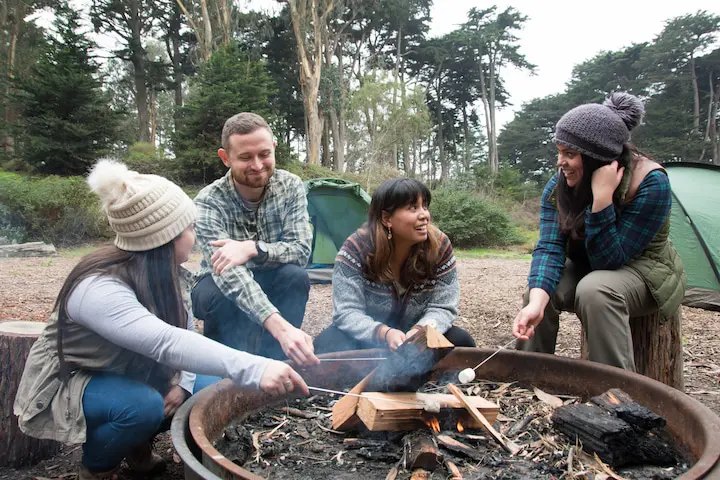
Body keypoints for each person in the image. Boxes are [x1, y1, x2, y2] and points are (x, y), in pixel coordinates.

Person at [13, 160, 309, 480]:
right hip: (76, 380)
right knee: (142, 408)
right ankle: (97, 467)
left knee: (217, 387)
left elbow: (183, 332)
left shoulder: (163, 272)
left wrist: (182, 383)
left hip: (131, 367)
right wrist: (259, 366)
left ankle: (137, 448)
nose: (195, 238)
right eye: (190, 229)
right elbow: (166, 342)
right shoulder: (98, 288)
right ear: (164, 238)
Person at [513, 92, 686, 370]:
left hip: (643, 269)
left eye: (570, 154)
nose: (560, 162)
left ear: (598, 158)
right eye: (559, 152)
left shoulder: (651, 183)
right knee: (539, 292)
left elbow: (610, 260)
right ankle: (527, 378)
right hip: (589, 264)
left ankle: (615, 394)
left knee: (596, 291)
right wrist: (536, 302)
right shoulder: (558, 187)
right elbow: (549, 248)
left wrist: (602, 200)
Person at [191, 112, 318, 367]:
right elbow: (229, 275)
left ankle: (276, 362)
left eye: (264, 154)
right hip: (217, 282)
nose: (258, 165)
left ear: (273, 148)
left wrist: (253, 249)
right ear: (225, 158)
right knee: (218, 295)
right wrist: (278, 325)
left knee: (295, 277)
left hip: (270, 273)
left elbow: (301, 250)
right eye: (245, 157)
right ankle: (225, 367)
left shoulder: (291, 186)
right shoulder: (208, 201)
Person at [314, 178, 476, 353]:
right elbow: (347, 311)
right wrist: (384, 333)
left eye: (425, 206)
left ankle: (427, 378)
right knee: (327, 344)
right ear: (386, 218)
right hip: (369, 339)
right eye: (413, 208)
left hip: (419, 340)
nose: (424, 215)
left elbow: (444, 306)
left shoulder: (440, 246)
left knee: (462, 342)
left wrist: (420, 331)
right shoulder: (356, 249)